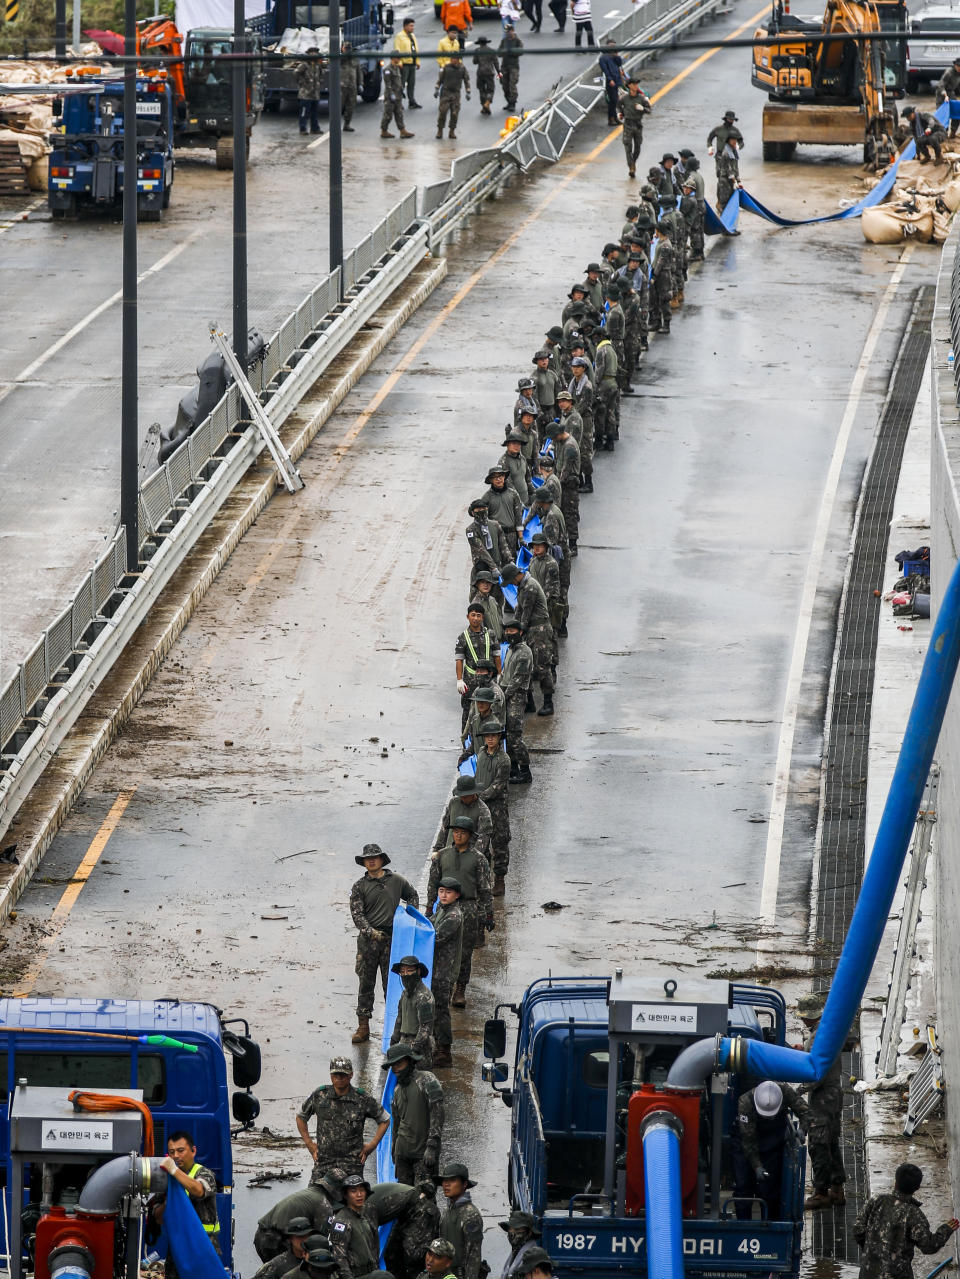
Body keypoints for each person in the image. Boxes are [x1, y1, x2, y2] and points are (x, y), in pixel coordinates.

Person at [350, 843, 419, 1044]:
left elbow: (412, 895)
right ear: (363, 862)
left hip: (392, 941)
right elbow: (357, 915)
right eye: (367, 858)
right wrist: (371, 932)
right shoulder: (359, 887)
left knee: (393, 985)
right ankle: (363, 1026)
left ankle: (396, 1028)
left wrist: (408, 917)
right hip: (368, 943)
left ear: (382, 860)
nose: (371, 860)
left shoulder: (397, 881)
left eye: (375, 857)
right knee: (366, 983)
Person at [427, 815, 493, 1005]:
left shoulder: (478, 859)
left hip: (468, 908)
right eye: (455, 832)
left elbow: (485, 889)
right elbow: (433, 884)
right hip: (444, 907)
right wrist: (429, 908)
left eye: (462, 833)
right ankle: (440, 986)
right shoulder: (443, 855)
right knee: (440, 947)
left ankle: (460, 990)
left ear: (470, 835)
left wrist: (486, 914)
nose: (458, 835)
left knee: (464, 952)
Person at [855, 1163, 959, 1279]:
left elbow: (858, 1230)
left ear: (895, 1182)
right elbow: (928, 1246)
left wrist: (872, 1250)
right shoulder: (914, 1214)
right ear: (917, 1188)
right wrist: (945, 1230)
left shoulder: (876, 1201)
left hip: (868, 1273)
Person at [297, 1058, 390, 1181]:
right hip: (324, 1162)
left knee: (355, 1198)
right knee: (314, 1197)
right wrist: (310, 1145)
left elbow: (384, 1120)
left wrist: (371, 1147)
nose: (339, 1078)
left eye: (343, 1075)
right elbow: (301, 1117)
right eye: (336, 1074)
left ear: (351, 1075)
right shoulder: (320, 1095)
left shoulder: (362, 1098)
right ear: (331, 1075)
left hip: (352, 1164)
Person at [794, 994, 846, 1209]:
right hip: (834, 1095)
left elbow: (818, 1073)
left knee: (818, 1144)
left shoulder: (817, 1038)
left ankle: (821, 1192)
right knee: (832, 1142)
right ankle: (837, 1189)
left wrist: (800, 1089)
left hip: (823, 1097)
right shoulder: (827, 1030)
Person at [731, 1081, 807, 1222]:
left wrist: (803, 1128)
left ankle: (770, 1224)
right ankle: (743, 1225)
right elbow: (749, 1141)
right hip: (745, 1144)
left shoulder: (785, 1091)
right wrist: (757, 1166)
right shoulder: (745, 1102)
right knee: (743, 1186)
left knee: (770, 1189)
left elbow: (805, 1110)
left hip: (772, 1144)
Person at [156, 1131, 220, 1274]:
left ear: (193, 1151)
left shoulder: (204, 1174)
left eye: (180, 1150)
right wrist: (168, 1202)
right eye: (171, 1152)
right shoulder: (166, 1181)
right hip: (178, 1250)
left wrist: (173, 1170)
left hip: (203, 1248)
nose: (176, 1156)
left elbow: (198, 1190)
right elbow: (158, 1218)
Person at [382, 1045, 445, 1185]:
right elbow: (396, 1125)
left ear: (410, 1061)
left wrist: (432, 1146)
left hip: (423, 1154)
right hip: (403, 1154)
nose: (396, 1069)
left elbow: (438, 1113)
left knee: (424, 1199)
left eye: (399, 1064)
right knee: (404, 1199)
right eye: (393, 1065)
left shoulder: (427, 1079)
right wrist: (394, 1151)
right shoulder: (397, 1090)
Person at [499, 563, 554, 716]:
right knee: (528, 666)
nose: (511, 584)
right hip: (531, 630)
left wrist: (517, 632)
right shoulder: (522, 586)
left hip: (539, 630)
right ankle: (529, 702)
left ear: (516, 576)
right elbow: (519, 610)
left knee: (542, 667)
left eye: (511, 581)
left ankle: (548, 703)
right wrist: (510, 629)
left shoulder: (530, 587)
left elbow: (526, 615)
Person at [254, 1173, 345, 1260]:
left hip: (261, 1235)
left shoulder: (310, 1192)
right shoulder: (324, 1205)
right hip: (276, 1240)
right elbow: (318, 1242)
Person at [474, 718, 511, 895]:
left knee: (500, 842)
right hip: (481, 805)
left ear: (499, 737)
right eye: (487, 736)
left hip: (497, 806)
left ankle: (499, 880)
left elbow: (498, 786)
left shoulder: (504, 760)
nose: (490, 739)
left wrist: (479, 796)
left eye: (493, 736)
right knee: (481, 842)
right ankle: (484, 879)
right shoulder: (481, 753)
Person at [328, 1176, 391, 1279]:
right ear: (346, 1195)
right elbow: (339, 1257)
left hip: (373, 1272)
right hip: (356, 1275)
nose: (359, 1195)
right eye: (353, 1191)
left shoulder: (368, 1212)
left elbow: (374, 1245)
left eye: (362, 1190)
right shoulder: (341, 1222)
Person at [430, 877, 464, 1067]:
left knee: (441, 1011)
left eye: (448, 892)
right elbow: (429, 923)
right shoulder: (442, 910)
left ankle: (444, 1051)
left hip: (444, 972)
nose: (443, 895)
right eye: (441, 891)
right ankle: (438, 1046)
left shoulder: (453, 916)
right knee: (435, 1009)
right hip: (436, 970)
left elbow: (435, 937)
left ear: (457, 895)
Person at [436, 1164, 484, 1279]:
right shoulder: (447, 1210)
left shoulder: (471, 1215)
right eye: (444, 1180)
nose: (446, 1185)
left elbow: (473, 1256)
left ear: (464, 1184)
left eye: (452, 1180)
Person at [456, 602, 499, 727]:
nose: (475, 618)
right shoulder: (463, 637)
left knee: (491, 708)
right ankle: (466, 742)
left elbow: (497, 655)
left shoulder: (490, 634)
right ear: (467, 617)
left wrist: (500, 673)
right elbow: (459, 659)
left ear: (482, 618)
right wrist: (459, 680)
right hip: (471, 681)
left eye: (478, 615)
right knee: (467, 711)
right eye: (473, 615)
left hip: (489, 679)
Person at [501, 616, 533, 783]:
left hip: (516, 695)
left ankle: (525, 771)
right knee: (506, 733)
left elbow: (517, 679)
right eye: (507, 631)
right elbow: (505, 673)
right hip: (506, 693)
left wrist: (504, 696)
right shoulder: (510, 649)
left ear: (520, 632)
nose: (509, 633)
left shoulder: (524, 652)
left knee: (514, 734)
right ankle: (513, 767)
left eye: (512, 630)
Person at [390, 955, 437, 1066]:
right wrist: (394, 1041)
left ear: (418, 971)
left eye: (410, 971)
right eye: (403, 972)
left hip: (420, 1049)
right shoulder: (404, 994)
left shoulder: (424, 997)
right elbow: (399, 1019)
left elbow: (425, 1029)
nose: (406, 975)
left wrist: (414, 1050)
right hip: (403, 1042)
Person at [435, 774, 493, 858]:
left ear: (473, 793)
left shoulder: (483, 810)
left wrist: (472, 858)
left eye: (465, 796)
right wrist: (437, 849)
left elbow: (483, 838)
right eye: (461, 796)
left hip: (470, 853)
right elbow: (445, 827)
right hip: (450, 852)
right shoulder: (453, 803)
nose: (463, 798)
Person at [466, 496, 510, 582]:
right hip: (482, 569)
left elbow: (503, 545)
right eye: (478, 510)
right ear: (473, 513)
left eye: (484, 508)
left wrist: (509, 560)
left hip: (498, 565)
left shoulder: (495, 525)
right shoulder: (471, 530)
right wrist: (493, 567)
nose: (481, 511)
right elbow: (481, 550)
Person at [254, 1220, 319, 1279]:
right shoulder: (276, 1266)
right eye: (299, 1236)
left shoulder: (318, 1260)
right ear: (290, 1238)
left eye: (307, 1235)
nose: (304, 1239)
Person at [618, 77, 651, 178]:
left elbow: (649, 110)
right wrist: (620, 113)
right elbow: (618, 106)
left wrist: (643, 109)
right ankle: (631, 167)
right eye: (634, 84)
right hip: (628, 124)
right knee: (628, 146)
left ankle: (633, 162)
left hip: (638, 124)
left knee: (637, 147)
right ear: (629, 86)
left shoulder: (641, 98)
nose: (636, 86)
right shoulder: (624, 98)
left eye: (637, 84)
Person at [435, 55, 471, 140]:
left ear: (458, 60)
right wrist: (436, 89)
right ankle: (440, 130)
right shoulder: (446, 68)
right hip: (445, 93)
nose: (452, 60)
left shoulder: (462, 69)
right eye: (452, 59)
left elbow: (466, 80)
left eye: (454, 59)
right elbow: (440, 80)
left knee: (454, 113)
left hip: (456, 94)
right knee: (443, 112)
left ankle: (452, 131)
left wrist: (468, 91)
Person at [290, 49, 324, 135]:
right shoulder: (304, 65)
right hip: (305, 94)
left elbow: (321, 74)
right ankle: (303, 129)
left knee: (314, 113)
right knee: (304, 112)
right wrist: (301, 82)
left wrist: (319, 82)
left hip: (315, 93)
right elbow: (295, 73)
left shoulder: (317, 65)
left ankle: (315, 128)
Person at [499, 1212, 542, 1279]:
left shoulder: (531, 1257)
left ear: (529, 1233)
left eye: (517, 1229)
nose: (512, 1233)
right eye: (510, 1229)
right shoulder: (517, 1249)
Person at [381, 56, 415, 139]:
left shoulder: (397, 68)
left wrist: (401, 91)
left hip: (398, 95)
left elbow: (398, 82)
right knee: (388, 114)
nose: (399, 59)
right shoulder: (388, 70)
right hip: (390, 96)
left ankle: (402, 131)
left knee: (399, 114)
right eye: (398, 58)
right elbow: (388, 84)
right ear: (393, 58)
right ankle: (384, 131)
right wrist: (391, 94)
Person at [393, 18, 422, 108]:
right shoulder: (399, 36)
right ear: (405, 26)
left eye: (413, 26)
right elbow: (397, 49)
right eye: (411, 26)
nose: (412, 27)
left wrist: (417, 61)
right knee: (401, 84)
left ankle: (412, 101)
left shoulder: (412, 36)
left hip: (412, 63)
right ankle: (398, 102)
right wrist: (399, 62)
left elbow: (415, 49)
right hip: (404, 64)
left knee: (411, 84)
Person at [469, 573, 503, 642]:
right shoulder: (476, 605)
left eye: (488, 582)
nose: (486, 585)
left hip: (499, 643)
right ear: (477, 584)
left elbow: (500, 619)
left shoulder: (492, 600)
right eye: (482, 582)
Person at [472, 37, 501, 115]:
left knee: (481, 90)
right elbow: (496, 62)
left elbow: (474, 62)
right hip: (489, 72)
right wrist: (499, 72)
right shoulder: (491, 51)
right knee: (490, 89)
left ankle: (484, 106)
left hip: (480, 72)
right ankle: (487, 103)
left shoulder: (477, 50)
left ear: (479, 43)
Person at [598, 38, 624, 123]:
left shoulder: (614, 56)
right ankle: (611, 119)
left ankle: (614, 118)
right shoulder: (603, 58)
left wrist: (616, 55)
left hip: (616, 79)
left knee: (615, 100)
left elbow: (620, 63)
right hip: (611, 81)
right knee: (613, 100)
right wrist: (610, 79)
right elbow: (605, 70)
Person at [498, 25, 523, 110]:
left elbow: (520, 51)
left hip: (513, 66)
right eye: (506, 32)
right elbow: (499, 52)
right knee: (504, 85)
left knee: (512, 84)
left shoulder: (517, 41)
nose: (508, 33)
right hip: (504, 66)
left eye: (509, 31)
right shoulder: (504, 41)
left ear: (512, 31)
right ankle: (508, 101)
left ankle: (513, 103)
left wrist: (511, 52)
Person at [715, 136, 741, 210]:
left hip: (731, 180)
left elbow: (736, 168)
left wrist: (738, 181)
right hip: (724, 180)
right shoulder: (726, 153)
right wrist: (735, 182)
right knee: (724, 202)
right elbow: (728, 169)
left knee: (730, 200)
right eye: (732, 139)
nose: (734, 141)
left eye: (735, 139)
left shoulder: (734, 152)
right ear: (728, 141)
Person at [936, 57, 960, 137]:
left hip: (951, 92)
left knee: (957, 111)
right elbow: (940, 85)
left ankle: (953, 131)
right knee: (943, 115)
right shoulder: (949, 73)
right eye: (958, 66)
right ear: (955, 66)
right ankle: (943, 134)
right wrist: (945, 96)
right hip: (942, 93)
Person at [341, 43, 358, 130]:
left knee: (351, 106)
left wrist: (361, 83)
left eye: (349, 48)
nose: (348, 49)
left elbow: (358, 71)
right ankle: (334, 124)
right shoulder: (341, 58)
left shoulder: (354, 59)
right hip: (342, 86)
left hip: (352, 85)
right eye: (346, 48)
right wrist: (345, 53)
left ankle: (347, 124)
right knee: (339, 105)